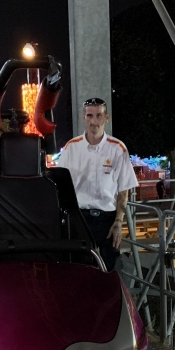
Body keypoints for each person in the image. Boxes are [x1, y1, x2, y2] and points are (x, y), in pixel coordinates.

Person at [57, 98, 137, 271]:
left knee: (109, 267)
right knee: (79, 266)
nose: (94, 121)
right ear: (83, 117)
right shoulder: (72, 147)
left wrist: (118, 222)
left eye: (99, 115)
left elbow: (124, 190)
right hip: (79, 217)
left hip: (107, 218)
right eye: (90, 116)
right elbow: (60, 184)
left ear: (106, 118)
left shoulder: (118, 148)